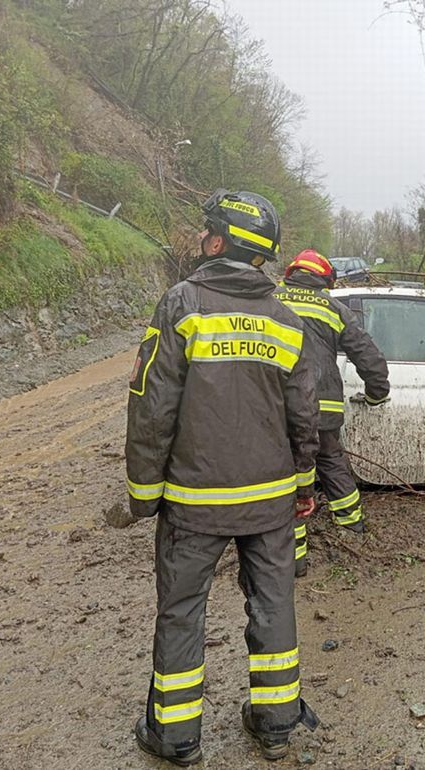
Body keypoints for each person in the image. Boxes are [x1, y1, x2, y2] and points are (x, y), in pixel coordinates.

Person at [125, 190, 320, 764]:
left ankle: (176, 737)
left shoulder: (181, 305)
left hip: (193, 502)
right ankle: (277, 723)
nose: (201, 238)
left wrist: (143, 493)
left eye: (207, 230)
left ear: (218, 242)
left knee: (183, 609)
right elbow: (303, 415)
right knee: (273, 603)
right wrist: (304, 485)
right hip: (270, 501)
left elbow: (151, 406)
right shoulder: (286, 320)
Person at [275, 250, 390, 576]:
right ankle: (352, 528)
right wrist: (376, 393)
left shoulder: (270, 300)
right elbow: (367, 355)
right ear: (327, 280)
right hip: (321, 408)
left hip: (276, 407)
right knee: (330, 461)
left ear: (291, 273)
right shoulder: (333, 308)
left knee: (284, 476)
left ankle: (294, 559)